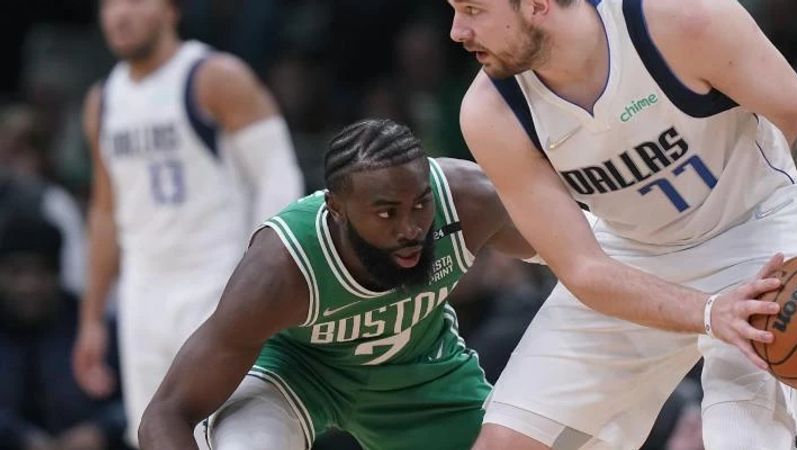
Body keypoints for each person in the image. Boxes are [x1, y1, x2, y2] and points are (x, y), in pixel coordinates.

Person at [449, 0, 797, 449]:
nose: (457, 30)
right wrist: (708, 310)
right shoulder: (492, 112)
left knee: (744, 439)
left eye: (473, 9)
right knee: (506, 442)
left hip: (758, 235)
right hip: (628, 255)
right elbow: (584, 269)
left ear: (537, 5)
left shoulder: (681, 19)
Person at [137, 119, 542, 450]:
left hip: (418, 373)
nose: (411, 228)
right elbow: (165, 415)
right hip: (296, 374)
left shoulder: (468, 201)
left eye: (420, 204)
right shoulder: (278, 271)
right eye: (387, 213)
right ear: (336, 209)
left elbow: (585, 247)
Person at [72, 0, 304, 445]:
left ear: (171, 8)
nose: (120, 15)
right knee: (151, 434)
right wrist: (92, 316)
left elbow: (280, 180)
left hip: (217, 285)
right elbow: (105, 213)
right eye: (109, 4)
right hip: (142, 295)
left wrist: (265, 286)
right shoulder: (102, 101)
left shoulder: (216, 77)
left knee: (228, 434)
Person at [0, 215, 128, 450]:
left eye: (41, 272)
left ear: (58, 273)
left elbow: (140, 395)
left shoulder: (92, 328)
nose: (29, 285)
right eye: (17, 272)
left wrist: (101, 430)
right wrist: (17, 436)